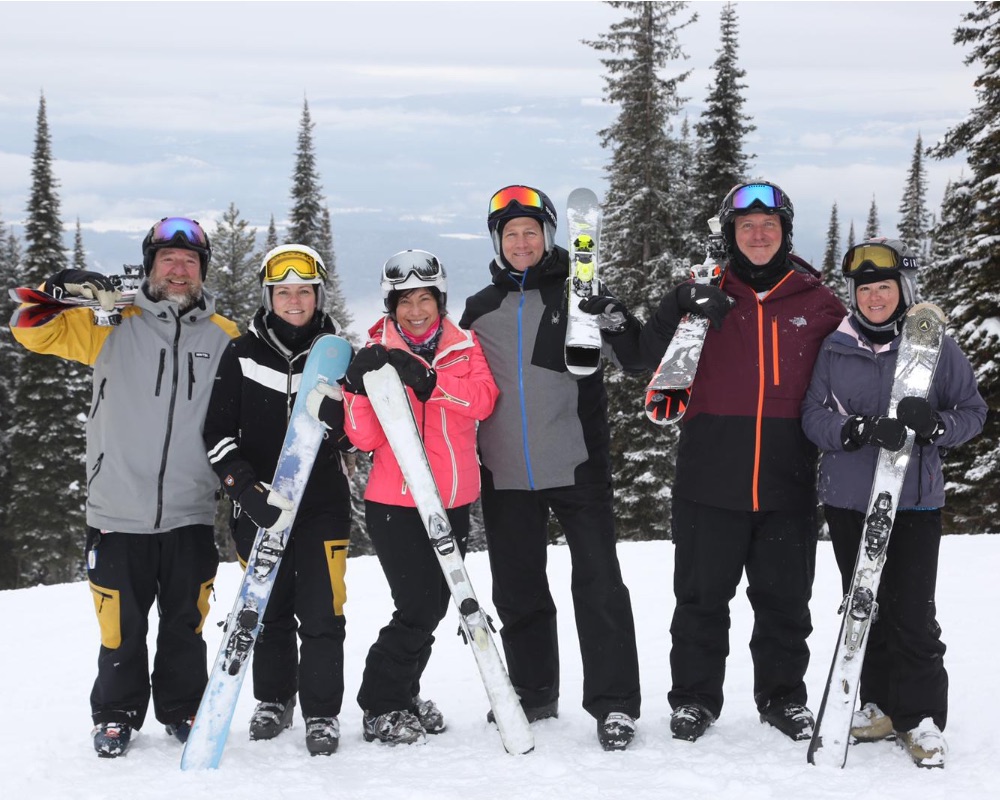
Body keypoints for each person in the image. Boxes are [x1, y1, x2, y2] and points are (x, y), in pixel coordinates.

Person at [9, 217, 240, 757]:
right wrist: (58, 293)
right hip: (117, 508)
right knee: (121, 627)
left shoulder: (225, 337)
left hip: (190, 509)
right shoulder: (110, 323)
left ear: (201, 272)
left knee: (186, 622)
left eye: (189, 262)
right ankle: (115, 715)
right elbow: (29, 329)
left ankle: (184, 708)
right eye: (168, 260)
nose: (178, 270)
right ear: (150, 266)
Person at [639, 181, 846, 743]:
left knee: (784, 602)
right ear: (731, 233)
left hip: (788, 481)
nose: (758, 235)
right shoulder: (703, 293)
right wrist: (672, 304)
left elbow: (857, 368)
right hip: (710, 477)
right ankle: (694, 700)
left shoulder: (818, 302)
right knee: (701, 602)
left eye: (769, 226)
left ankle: (783, 699)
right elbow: (642, 359)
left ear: (785, 232)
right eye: (746, 226)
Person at [460, 185, 644, 751]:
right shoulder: (479, 310)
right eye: (511, 233)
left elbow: (636, 358)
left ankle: (614, 706)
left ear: (548, 237)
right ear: (498, 240)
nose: (522, 242)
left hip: (576, 465)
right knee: (518, 590)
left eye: (531, 232)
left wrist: (614, 318)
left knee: (600, 587)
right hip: (505, 470)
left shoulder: (580, 292)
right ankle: (534, 692)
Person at [801, 238, 986, 768]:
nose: (874, 297)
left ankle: (921, 718)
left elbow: (972, 411)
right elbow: (813, 416)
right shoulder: (835, 347)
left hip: (914, 502)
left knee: (911, 613)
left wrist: (936, 426)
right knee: (866, 609)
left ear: (901, 290)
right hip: (849, 501)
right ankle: (878, 705)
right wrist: (855, 429)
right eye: (865, 289)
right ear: (854, 295)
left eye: (883, 287)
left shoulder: (935, 346)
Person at [202, 244, 353, 756]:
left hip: (323, 506)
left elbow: (362, 436)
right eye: (283, 291)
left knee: (323, 613)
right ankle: (272, 700)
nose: (294, 300)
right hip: (260, 505)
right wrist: (243, 489)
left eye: (303, 291)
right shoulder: (242, 353)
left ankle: (321, 713)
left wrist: (344, 429)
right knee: (263, 611)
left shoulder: (337, 355)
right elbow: (217, 435)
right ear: (269, 297)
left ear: (318, 295)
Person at [343, 249, 499, 746]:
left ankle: (405, 695)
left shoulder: (464, 346)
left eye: (425, 298)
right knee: (415, 607)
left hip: (452, 499)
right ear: (391, 305)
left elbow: (482, 401)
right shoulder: (373, 349)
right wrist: (356, 387)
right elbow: (363, 438)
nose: (416, 310)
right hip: (396, 502)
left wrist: (431, 382)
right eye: (405, 300)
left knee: (433, 607)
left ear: (440, 300)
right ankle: (381, 703)